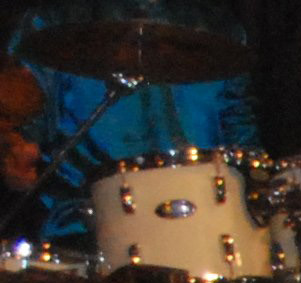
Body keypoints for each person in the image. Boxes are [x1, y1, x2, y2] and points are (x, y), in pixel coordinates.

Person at [5, 0, 256, 248]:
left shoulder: (219, 26)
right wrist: (15, 150)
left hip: (205, 216)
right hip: (86, 220)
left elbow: (242, 135)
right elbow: (22, 116)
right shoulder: (54, 21)